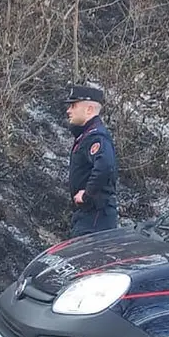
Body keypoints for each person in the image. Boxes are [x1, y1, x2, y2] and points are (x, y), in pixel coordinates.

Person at [63, 83, 118, 236]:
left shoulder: (95, 136)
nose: (68, 111)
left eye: (73, 106)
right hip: (88, 215)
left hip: (95, 218)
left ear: (89, 109)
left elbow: (106, 167)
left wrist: (87, 195)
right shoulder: (85, 135)